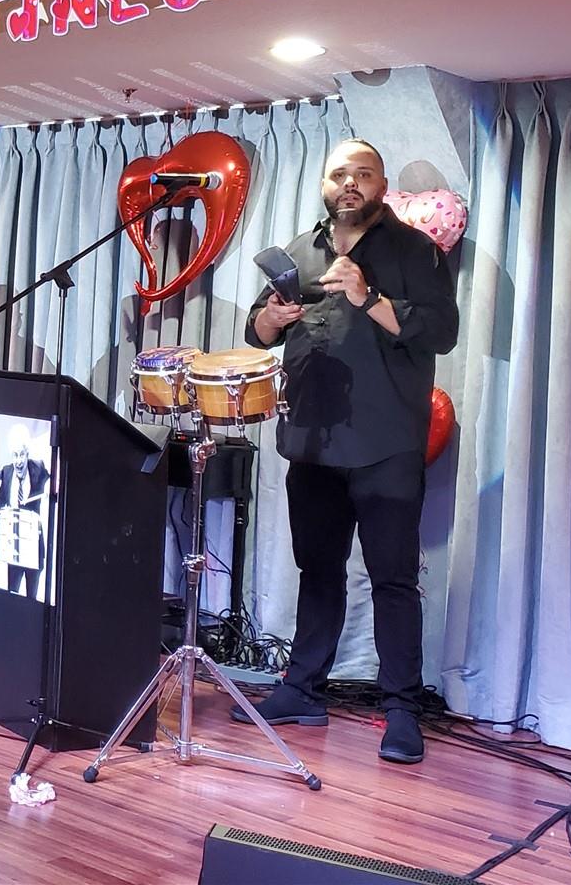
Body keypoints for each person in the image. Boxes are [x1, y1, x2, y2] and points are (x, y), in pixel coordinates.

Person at [234, 138, 458, 766]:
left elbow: (442, 332)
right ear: (325, 185)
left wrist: (369, 297)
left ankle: (402, 710)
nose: (350, 184)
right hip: (313, 440)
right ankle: (303, 687)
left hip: (387, 443)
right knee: (318, 570)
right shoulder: (300, 250)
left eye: (363, 174)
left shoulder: (414, 251)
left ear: (381, 185)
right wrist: (270, 321)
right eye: (340, 174)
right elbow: (257, 329)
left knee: (393, 579)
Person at [0, 424, 51, 599]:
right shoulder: (6, 472)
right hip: (13, 549)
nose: (18, 461)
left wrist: (49, 486)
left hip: (34, 549)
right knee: (12, 596)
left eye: (22, 454)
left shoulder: (37, 469)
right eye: (15, 455)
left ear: (27, 454)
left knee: (32, 599)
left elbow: (53, 478)